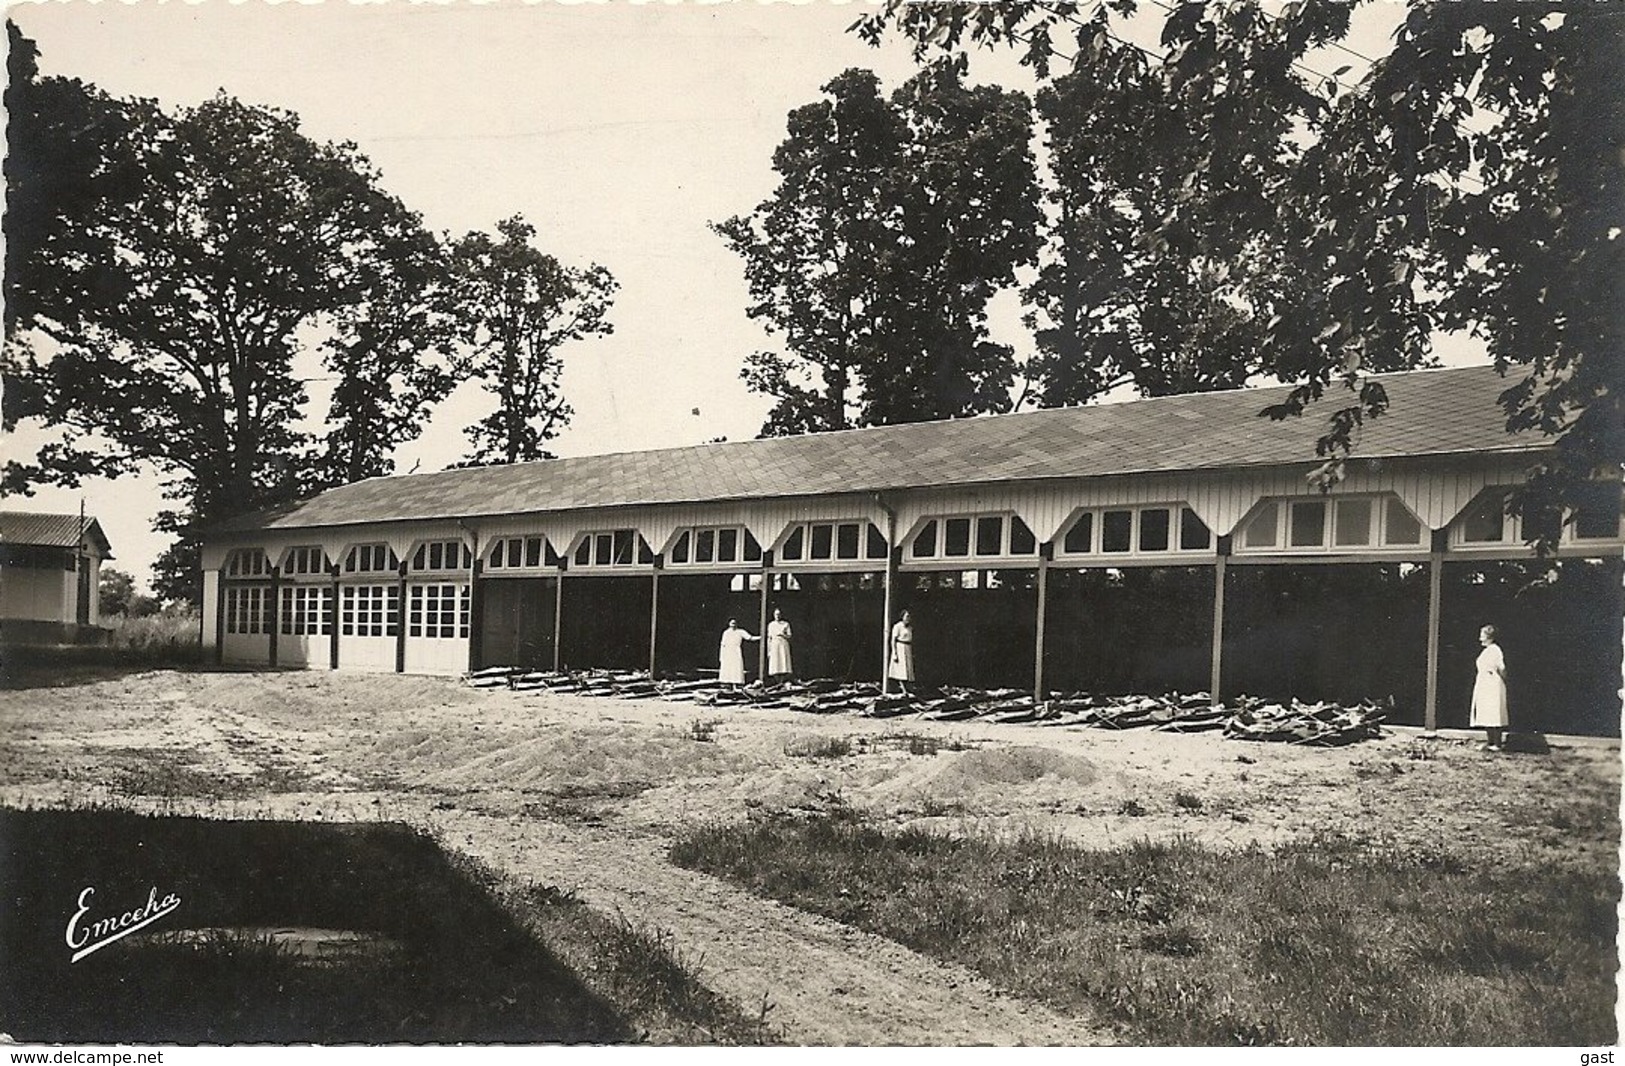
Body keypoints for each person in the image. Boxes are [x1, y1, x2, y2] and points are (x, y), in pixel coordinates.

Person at [1470, 624, 1509, 750]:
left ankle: (1497, 743)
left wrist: (1502, 680)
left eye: (1482, 635)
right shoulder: (1486, 651)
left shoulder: (1495, 650)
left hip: (1493, 684)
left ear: (1489, 636)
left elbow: (1502, 668)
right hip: (1484, 683)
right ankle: (1490, 741)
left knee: (1494, 712)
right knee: (1486, 712)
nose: (1480, 638)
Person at [717, 618, 759, 688]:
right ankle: (728, 686)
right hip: (728, 652)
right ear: (729, 624)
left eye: (734, 623)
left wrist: (760, 637)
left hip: (736, 652)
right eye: (732, 623)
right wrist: (721, 656)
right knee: (727, 668)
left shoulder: (740, 632)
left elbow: (750, 637)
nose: (733, 624)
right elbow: (723, 645)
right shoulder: (726, 633)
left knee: (736, 667)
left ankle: (736, 685)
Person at [888, 609, 915, 693]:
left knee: (908, 669)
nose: (908, 618)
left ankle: (907, 688)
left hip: (908, 647)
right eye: (906, 616)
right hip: (900, 647)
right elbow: (893, 640)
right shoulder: (897, 626)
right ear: (902, 617)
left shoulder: (910, 628)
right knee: (900, 669)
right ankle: (902, 688)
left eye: (909, 617)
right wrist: (894, 653)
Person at [765, 607, 793, 681]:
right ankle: (777, 682)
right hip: (774, 644)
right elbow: (769, 638)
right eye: (776, 614)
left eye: (779, 614)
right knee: (775, 664)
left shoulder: (786, 624)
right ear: (773, 615)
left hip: (783, 644)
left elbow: (789, 636)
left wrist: (782, 635)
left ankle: (782, 681)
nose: (777, 616)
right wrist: (769, 650)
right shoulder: (771, 625)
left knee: (783, 663)